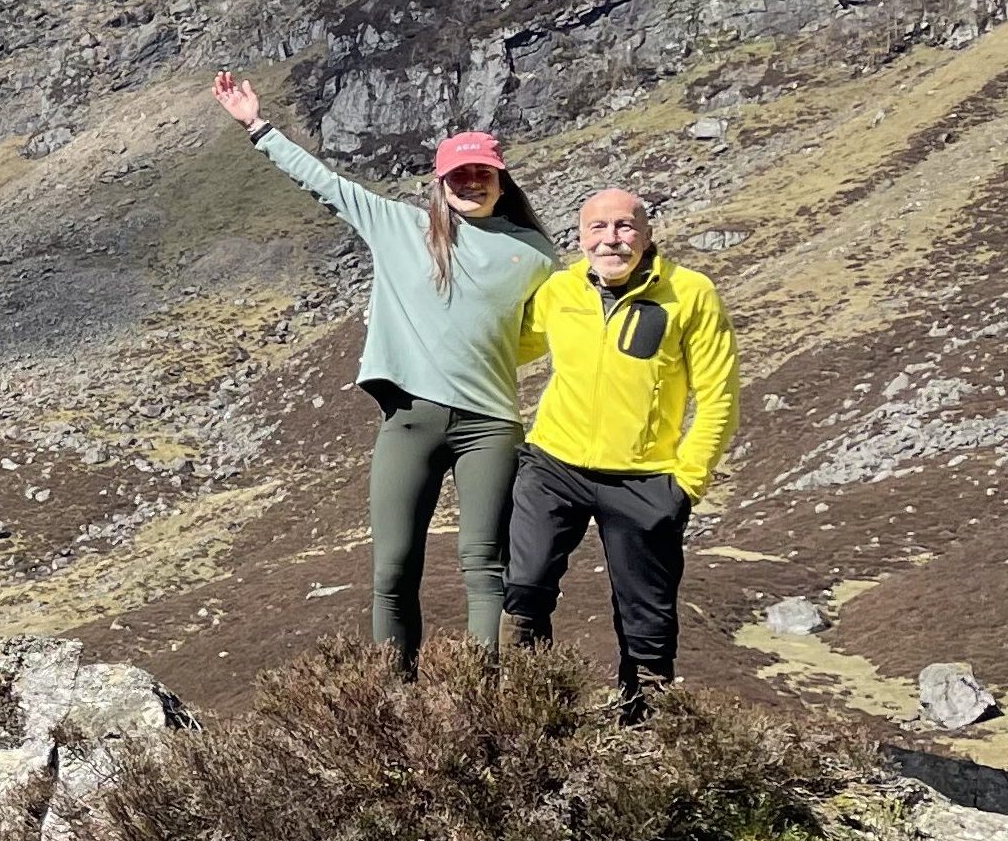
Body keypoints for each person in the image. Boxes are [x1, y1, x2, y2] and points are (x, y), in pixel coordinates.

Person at [214, 71, 558, 671]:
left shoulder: (534, 253)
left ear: (501, 179)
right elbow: (324, 183)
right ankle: (391, 699)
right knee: (393, 569)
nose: (471, 182)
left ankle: (487, 699)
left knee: (485, 567)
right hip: (410, 421)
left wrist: (491, 353)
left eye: (482, 172)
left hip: (491, 426)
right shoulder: (399, 226)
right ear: (440, 182)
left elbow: (544, 332)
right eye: (459, 174)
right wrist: (257, 126)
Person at [505, 187, 740, 715]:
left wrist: (686, 483)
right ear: (580, 237)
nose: (611, 239)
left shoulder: (691, 293)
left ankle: (645, 729)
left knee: (647, 619)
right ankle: (528, 714)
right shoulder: (560, 290)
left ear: (647, 234)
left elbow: (719, 396)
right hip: (554, 465)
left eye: (625, 226)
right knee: (524, 588)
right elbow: (506, 347)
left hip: (646, 478)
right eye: (598, 227)